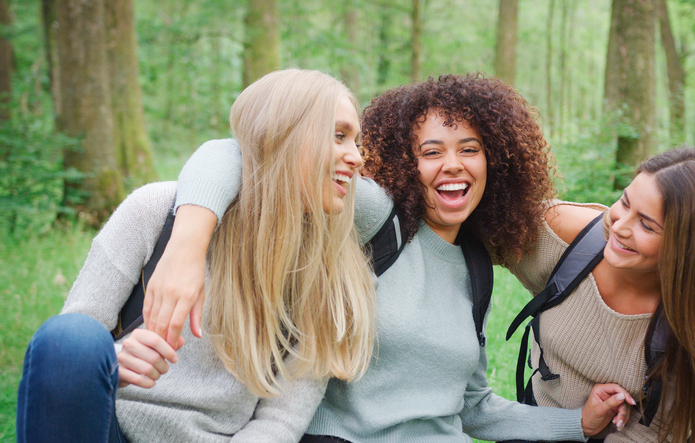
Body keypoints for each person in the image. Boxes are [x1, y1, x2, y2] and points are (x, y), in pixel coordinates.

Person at [144, 73, 636, 442]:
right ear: (404, 160)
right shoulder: (376, 218)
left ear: (494, 161)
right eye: (431, 152)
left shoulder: (476, 268)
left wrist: (577, 422)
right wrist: (186, 248)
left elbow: (474, 408)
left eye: (470, 149)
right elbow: (232, 154)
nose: (453, 166)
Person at [16, 69, 377, 443]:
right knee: (71, 339)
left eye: (355, 140)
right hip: (110, 428)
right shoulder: (154, 212)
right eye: (338, 137)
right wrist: (111, 360)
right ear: (281, 138)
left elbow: (280, 422)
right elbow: (68, 348)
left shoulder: (330, 272)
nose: (356, 157)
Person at [504, 147, 695, 442]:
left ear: (689, 250)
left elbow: (661, 432)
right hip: (537, 424)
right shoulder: (566, 235)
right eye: (624, 202)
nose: (619, 227)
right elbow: (461, 229)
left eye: (646, 225)